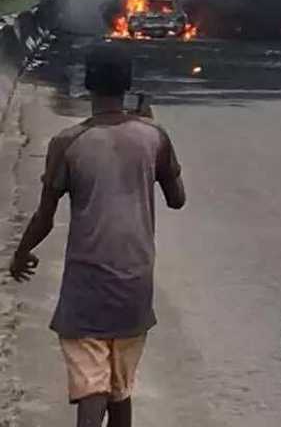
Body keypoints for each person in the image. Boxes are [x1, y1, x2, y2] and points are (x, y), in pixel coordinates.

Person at [7, 43, 186, 427]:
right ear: (128, 84)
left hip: (87, 287)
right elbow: (177, 199)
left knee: (92, 387)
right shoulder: (154, 136)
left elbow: (44, 217)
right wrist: (155, 138)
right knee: (120, 390)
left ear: (87, 84)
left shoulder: (67, 142)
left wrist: (20, 254)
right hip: (136, 284)